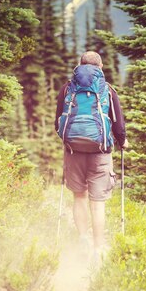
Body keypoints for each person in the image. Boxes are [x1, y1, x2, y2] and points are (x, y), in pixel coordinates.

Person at [54, 51, 128, 261]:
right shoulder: (107, 90)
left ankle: (83, 240)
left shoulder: (67, 88)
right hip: (100, 153)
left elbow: (58, 121)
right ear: (101, 67)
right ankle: (97, 249)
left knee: (79, 196)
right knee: (97, 203)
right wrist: (123, 142)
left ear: (79, 65)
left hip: (73, 151)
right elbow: (118, 125)